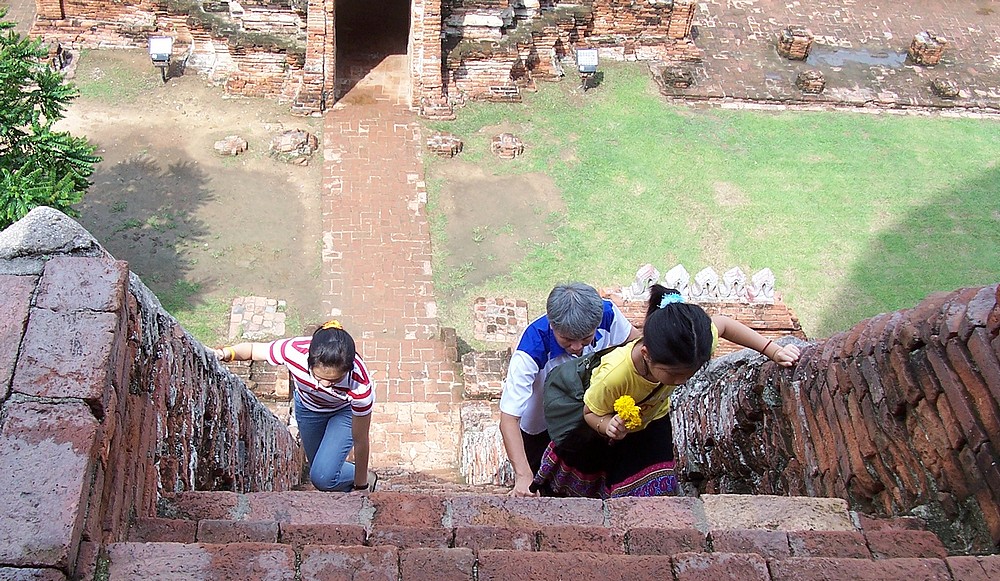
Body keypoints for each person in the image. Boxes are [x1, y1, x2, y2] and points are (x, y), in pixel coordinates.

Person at [531, 284, 801, 498]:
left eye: (690, 373)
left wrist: (773, 350)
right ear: (646, 355)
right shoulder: (615, 375)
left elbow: (726, 325)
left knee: (655, 489)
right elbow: (590, 412)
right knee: (602, 475)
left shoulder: (690, 343)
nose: (682, 381)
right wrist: (607, 426)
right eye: (674, 375)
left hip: (653, 419)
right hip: (609, 423)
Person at [499, 282, 641, 497]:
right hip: (540, 427)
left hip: (589, 415)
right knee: (541, 486)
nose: (577, 347)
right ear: (552, 325)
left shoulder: (608, 314)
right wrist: (523, 476)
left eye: (586, 338)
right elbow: (509, 418)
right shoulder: (531, 348)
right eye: (566, 340)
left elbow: (635, 345)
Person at [214, 320, 376, 492]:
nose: (325, 385)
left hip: (344, 412)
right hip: (308, 409)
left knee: (322, 479)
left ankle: (360, 479)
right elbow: (254, 350)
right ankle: (343, 477)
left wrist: (361, 486)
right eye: (319, 377)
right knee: (317, 469)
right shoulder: (294, 351)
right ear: (309, 362)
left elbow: (360, 440)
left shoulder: (360, 386)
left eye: (334, 380)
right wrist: (223, 354)